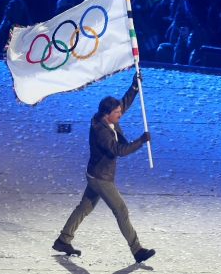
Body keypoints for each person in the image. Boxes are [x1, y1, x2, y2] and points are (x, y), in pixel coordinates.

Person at [53, 72, 156, 264]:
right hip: (101, 178)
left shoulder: (106, 118)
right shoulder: (101, 131)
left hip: (95, 174)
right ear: (106, 115)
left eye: (119, 111)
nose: (120, 114)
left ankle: (62, 240)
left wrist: (134, 87)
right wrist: (140, 141)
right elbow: (119, 150)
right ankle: (137, 250)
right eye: (116, 113)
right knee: (121, 210)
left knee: (84, 207)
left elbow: (123, 104)